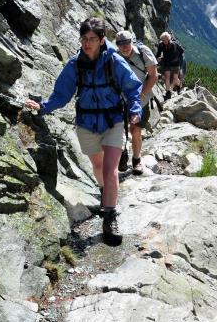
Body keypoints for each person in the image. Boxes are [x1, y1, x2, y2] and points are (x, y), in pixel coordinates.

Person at [25, 17, 142, 245]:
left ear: (101, 40)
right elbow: (62, 94)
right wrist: (43, 107)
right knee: (98, 167)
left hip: (113, 121)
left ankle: (109, 216)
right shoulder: (75, 64)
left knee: (110, 171)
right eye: (83, 39)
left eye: (91, 39)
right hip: (87, 123)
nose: (86, 43)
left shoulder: (114, 61)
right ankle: (105, 192)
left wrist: (135, 110)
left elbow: (131, 88)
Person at [115, 30, 157, 175]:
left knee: (136, 130)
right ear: (117, 45)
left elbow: (153, 76)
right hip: (121, 99)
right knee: (119, 129)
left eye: (127, 43)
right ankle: (122, 155)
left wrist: (141, 95)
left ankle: (136, 160)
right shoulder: (114, 56)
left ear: (132, 41)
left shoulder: (143, 52)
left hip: (141, 99)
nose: (125, 47)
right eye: (121, 44)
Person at [156, 31, 185, 100]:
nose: (164, 41)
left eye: (165, 40)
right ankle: (168, 93)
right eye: (163, 40)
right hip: (167, 63)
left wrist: (161, 59)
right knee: (167, 78)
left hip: (175, 63)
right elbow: (158, 53)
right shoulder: (161, 44)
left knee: (175, 78)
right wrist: (156, 58)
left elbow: (171, 56)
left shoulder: (173, 45)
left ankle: (178, 89)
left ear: (169, 39)